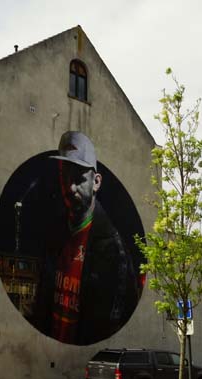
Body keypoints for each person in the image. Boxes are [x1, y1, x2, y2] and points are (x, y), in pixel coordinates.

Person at [32, 131, 139, 345]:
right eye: (65, 178)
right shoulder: (55, 233)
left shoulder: (112, 250)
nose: (70, 187)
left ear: (96, 182)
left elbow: (108, 325)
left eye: (79, 179)